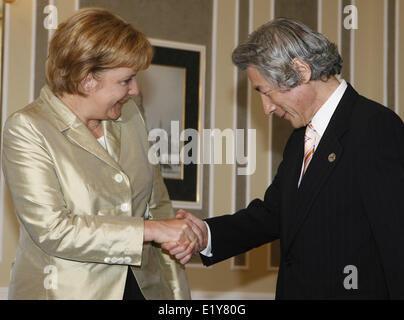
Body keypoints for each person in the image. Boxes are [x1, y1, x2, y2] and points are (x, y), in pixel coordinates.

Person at [164, 18, 404, 299]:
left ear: (300, 71)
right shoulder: (299, 139)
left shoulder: (374, 127)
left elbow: (396, 242)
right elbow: (274, 215)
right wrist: (206, 234)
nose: (266, 108)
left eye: (266, 92)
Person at [2, 8, 202, 300]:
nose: (134, 90)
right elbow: (54, 229)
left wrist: (176, 296)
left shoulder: (130, 116)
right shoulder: (28, 128)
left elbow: (158, 204)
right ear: (86, 79)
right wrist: (153, 230)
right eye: (126, 80)